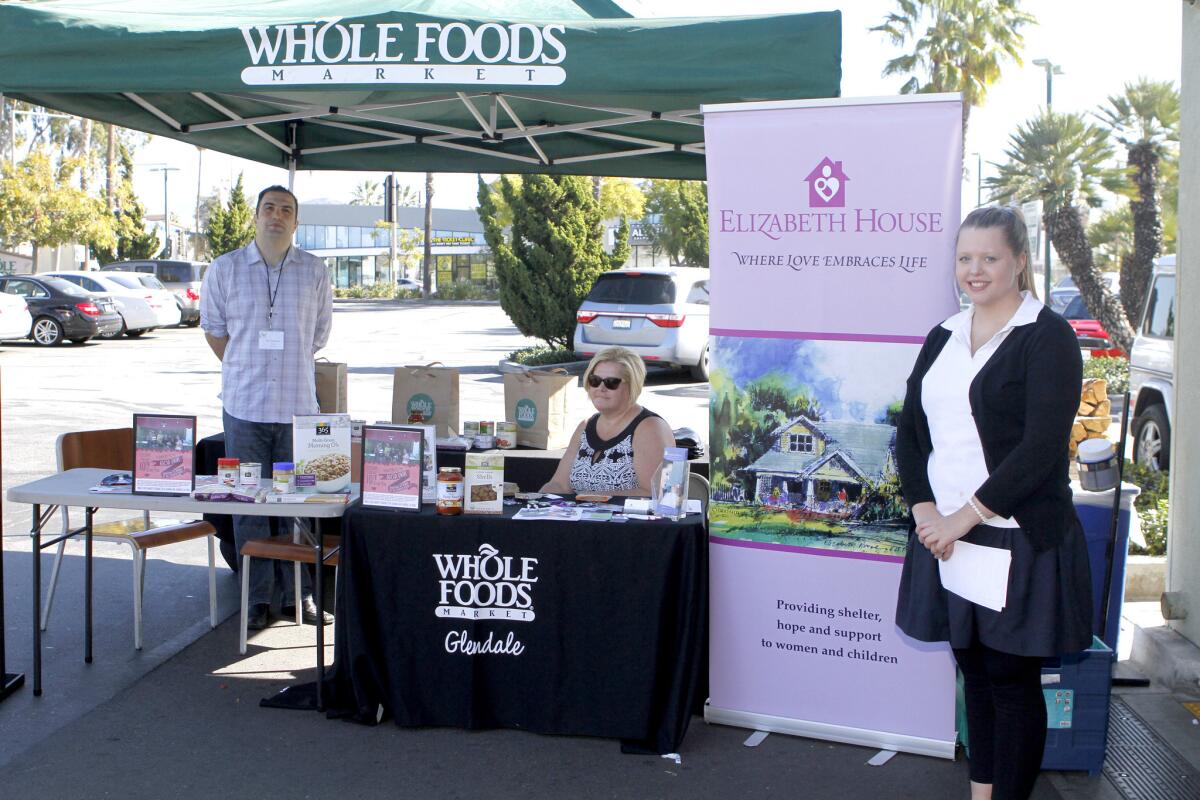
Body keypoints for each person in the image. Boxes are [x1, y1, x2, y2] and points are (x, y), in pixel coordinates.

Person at [894, 206, 1093, 800]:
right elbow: (910, 430)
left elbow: (1039, 450)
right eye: (964, 259)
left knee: (1011, 682)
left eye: (989, 258)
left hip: (1015, 534)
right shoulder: (944, 336)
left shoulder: (1047, 336)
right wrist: (924, 509)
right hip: (946, 536)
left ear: (1020, 262)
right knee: (974, 677)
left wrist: (963, 517)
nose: (973, 271)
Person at [200, 185, 333, 631]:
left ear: (296, 222)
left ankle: (303, 595)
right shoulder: (225, 269)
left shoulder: (315, 270)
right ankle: (256, 599)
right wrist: (245, 367)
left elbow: (318, 336)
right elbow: (214, 330)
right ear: (255, 217)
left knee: (301, 504)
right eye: (269, 208)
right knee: (246, 503)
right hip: (243, 407)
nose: (277, 216)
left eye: (287, 210)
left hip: (298, 409)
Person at [541, 347, 676, 496]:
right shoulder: (585, 426)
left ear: (632, 386)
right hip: (583, 517)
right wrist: (536, 501)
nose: (601, 388)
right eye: (595, 380)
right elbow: (559, 485)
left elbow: (660, 494)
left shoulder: (651, 428)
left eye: (611, 382)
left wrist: (592, 499)